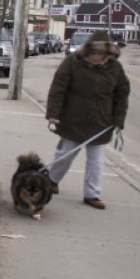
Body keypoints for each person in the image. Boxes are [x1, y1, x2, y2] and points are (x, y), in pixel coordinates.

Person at [45, 30, 130, 209]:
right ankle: (51, 180)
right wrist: (53, 114)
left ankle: (92, 194)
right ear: (87, 51)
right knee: (64, 155)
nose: (96, 57)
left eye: (100, 54)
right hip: (73, 119)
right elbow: (58, 89)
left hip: (101, 122)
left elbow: (122, 95)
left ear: (108, 54)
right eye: (93, 53)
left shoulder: (115, 68)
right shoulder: (72, 63)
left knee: (97, 161)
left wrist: (118, 120)